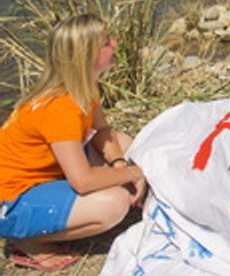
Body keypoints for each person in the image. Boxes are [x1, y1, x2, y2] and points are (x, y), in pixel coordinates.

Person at [0, 14, 146, 271]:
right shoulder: (60, 108)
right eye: (105, 42)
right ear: (86, 55)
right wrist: (133, 173)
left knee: (123, 143)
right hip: (12, 200)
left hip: (43, 176)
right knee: (113, 204)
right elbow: (83, 181)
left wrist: (120, 163)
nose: (114, 43)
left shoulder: (83, 85)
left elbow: (102, 130)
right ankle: (27, 239)